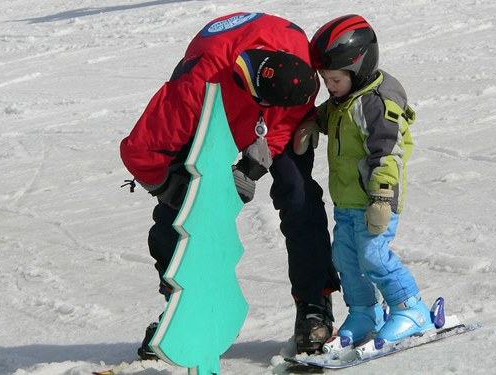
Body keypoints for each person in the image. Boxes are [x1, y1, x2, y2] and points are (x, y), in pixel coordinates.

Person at [120, 12, 339, 357]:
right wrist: (174, 192)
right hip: (213, 108)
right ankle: (183, 310)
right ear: (260, 99)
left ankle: (314, 304)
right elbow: (141, 152)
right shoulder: (193, 91)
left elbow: (289, 119)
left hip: (264, 106)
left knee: (298, 198)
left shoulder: (299, 77)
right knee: (179, 220)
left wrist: (253, 166)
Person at [294, 14, 435, 348]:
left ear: (358, 69)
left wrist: (383, 197)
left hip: (375, 201)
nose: (329, 87)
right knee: (345, 258)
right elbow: (331, 113)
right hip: (347, 202)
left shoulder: (374, 104)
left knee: (374, 255)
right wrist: (314, 122)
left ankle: (411, 308)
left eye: (335, 80)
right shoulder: (347, 98)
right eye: (325, 80)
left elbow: (388, 154)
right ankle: (363, 311)